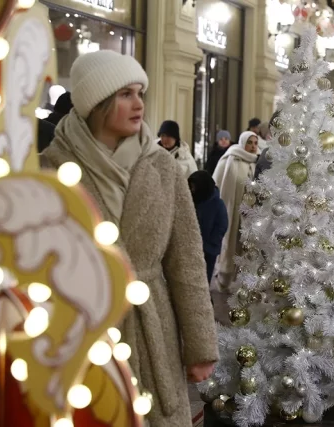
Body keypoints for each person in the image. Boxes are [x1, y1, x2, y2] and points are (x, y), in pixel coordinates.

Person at [40, 50, 217, 427]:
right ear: (97, 103)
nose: (139, 103)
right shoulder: (50, 168)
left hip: (152, 332)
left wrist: (200, 345)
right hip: (80, 333)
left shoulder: (164, 169)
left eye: (140, 93)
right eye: (125, 94)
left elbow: (186, 262)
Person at [212, 131, 259, 290]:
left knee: (245, 245)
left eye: (255, 143)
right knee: (229, 241)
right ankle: (223, 276)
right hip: (231, 208)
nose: (253, 146)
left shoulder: (256, 161)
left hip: (250, 212)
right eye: (249, 142)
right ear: (242, 142)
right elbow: (217, 182)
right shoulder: (230, 158)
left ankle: (243, 281)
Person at [188, 170, 228, 282]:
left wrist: (211, 243)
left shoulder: (217, 203)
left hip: (208, 250)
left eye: (194, 187)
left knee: (205, 278)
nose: (192, 190)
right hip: (192, 247)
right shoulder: (192, 200)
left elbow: (222, 225)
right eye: (191, 187)